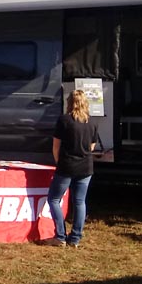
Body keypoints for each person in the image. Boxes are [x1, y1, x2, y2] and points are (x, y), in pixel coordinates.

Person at [42, 90, 99, 248]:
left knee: (54, 199)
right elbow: (91, 147)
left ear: (69, 102)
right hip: (86, 166)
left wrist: (59, 161)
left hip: (67, 165)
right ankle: (75, 238)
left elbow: (56, 146)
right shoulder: (92, 122)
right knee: (80, 201)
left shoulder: (64, 120)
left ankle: (60, 236)